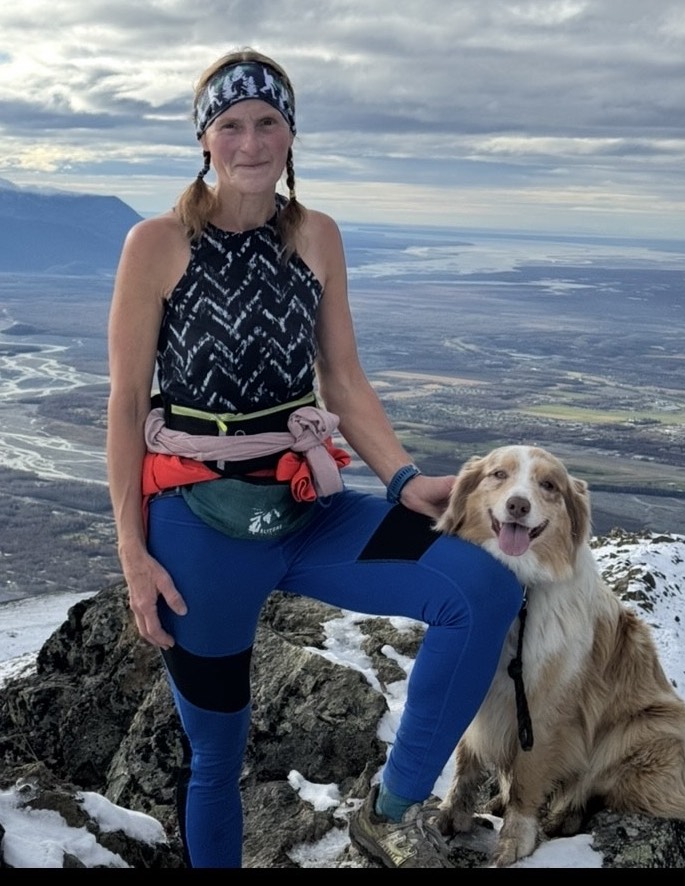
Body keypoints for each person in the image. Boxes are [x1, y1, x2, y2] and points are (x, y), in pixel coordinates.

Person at [106, 46, 524, 870]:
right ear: (205, 139)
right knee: (217, 756)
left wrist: (403, 479)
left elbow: (340, 376)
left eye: (268, 122)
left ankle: (390, 809)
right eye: (231, 124)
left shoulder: (316, 236)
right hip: (198, 524)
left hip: (306, 505)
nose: (251, 141)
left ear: (291, 135)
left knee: (479, 590)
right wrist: (132, 553)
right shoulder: (156, 244)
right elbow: (124, 405)